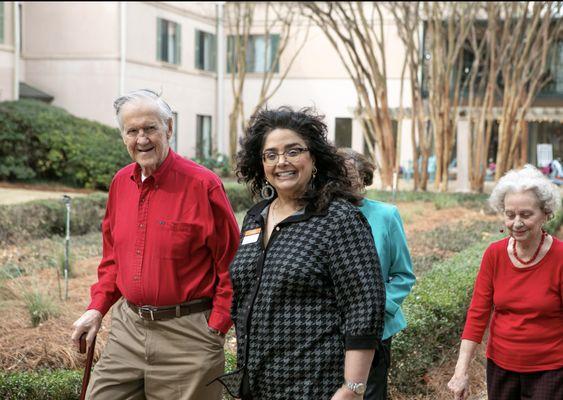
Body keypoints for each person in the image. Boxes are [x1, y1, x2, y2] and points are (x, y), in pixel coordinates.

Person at [70, 89, 240, 400]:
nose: (142, 139)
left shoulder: (203, 185)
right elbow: (112, 261)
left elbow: (232, 264)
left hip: (188, 336)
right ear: (123, 136)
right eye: (132, 131)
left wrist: (215, 328)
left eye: (150, 128)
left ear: (169, 129)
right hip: (128, 330)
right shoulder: (121, 183)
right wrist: (97, 309)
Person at [215, 107, 386, 399]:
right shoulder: (255, 217)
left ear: (314, 157)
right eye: (271, 154)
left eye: (293, 151)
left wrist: (353, 388)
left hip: (315, 384)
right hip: (257, 383)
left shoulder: (338, 219)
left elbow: (364, 307)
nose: (282, 162)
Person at [448, 164, 562, 400]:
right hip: (501, 366)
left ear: (546, 213)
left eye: (526, 215)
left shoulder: (560, 257)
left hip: (550, 370)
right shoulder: (494, 254)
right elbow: (477, 314)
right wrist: (460, 372)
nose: (516, 222)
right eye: (510, 215)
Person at [338, 148, 416, 400]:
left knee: (370, 393)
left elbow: (403, 274)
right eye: (337, 176)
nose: (345, 183)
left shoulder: (386, 215)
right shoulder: (322, 217)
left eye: (351, 176)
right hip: (332, 328)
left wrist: (378, 308)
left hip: (376, 328)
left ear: (364, 178)